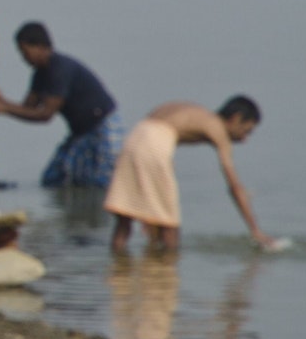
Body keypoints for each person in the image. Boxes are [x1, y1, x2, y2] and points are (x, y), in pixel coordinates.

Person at [105, 97, 277, 251]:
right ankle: (166, 278)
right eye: (246, 131)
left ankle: (118, 272)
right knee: (170, 227)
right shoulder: (217, 129)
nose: (245, 139)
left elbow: (156, 132)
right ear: (236, 118)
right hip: (155, 143)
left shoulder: (197, 112)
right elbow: (234, 186)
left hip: (135, 137)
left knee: (124, 219)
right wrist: (255, 230)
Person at [0, 21, 122, 187]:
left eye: (25, 51)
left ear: (41, 47)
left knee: (101, 184)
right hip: (80, 133)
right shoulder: (39, 74)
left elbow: (45, 115)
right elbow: (28, 108)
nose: (23, 58)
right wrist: (0, 100)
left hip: (103, 128)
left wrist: (4, 108)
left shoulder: (59, 69)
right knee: (53, 179)